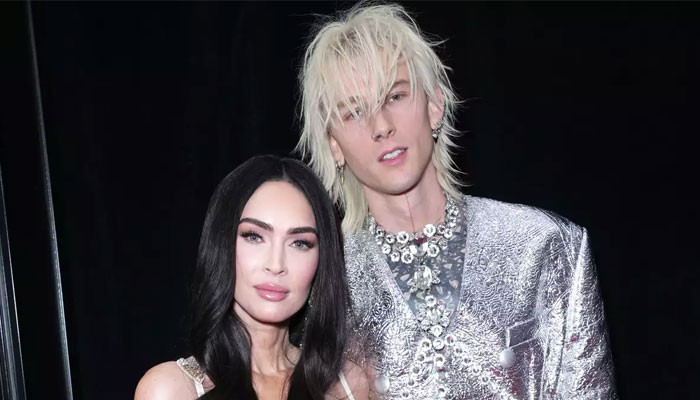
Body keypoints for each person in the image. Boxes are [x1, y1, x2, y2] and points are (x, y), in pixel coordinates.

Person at [296, 3, 617, 399]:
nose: (381, 126)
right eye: (354, 112)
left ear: (434, 105)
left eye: (395, 96)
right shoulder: (325, 282)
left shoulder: (546, 245)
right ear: (334, 144)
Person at [135, 156, 368, 399]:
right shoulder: (171, 390)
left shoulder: (348, 386)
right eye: (254, 237)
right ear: (222, 244)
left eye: (299, 243)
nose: (276, 265)